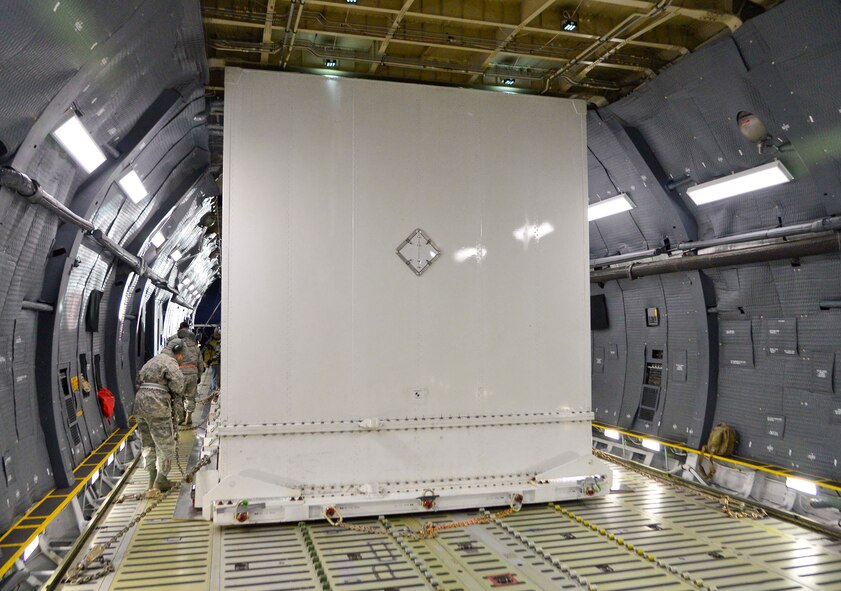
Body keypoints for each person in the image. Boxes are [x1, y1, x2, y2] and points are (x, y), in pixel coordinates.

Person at [132, 339, 186, 493]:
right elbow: (178, 385)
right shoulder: (170, 362)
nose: (182, 358)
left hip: (140, 405)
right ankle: (161, 480)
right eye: (182, 355)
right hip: (157, 406)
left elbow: (138, 381)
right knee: (165, 444)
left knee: (148, 443)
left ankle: (151, 479)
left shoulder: (151, 361)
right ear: (177, 352)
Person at [167, 322, 205, 426]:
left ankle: (181, 417)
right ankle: (189, 416)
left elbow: (171, 360)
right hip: (193, 373)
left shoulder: (177, 346)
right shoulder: (195, 347)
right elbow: (200, 363)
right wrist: (199, 375)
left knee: (178, 397)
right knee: (190, 397)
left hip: (180, 373)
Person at [203, 327, 221, 391]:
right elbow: (207, 353)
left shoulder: (214, 343)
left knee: (215, 378)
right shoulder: (212, 343)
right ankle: (215, 389)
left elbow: (208, 353)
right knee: (215, 377)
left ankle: (214, 389)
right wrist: (207, 361)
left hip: (216, 362)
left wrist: (208, 361)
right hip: (215, 363)